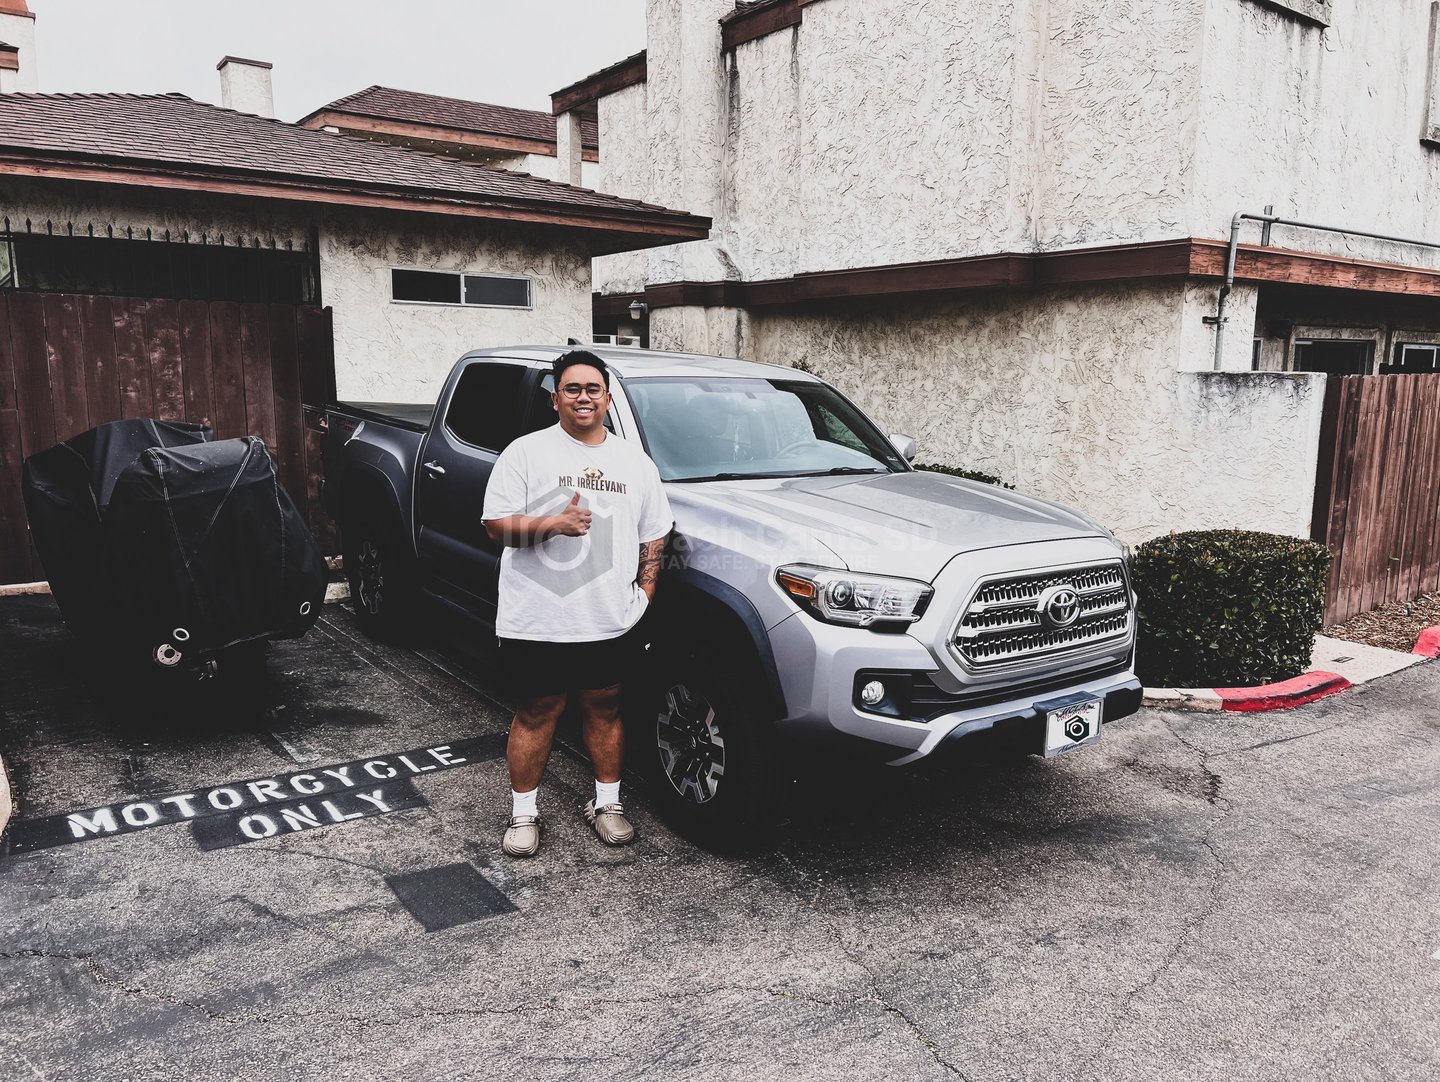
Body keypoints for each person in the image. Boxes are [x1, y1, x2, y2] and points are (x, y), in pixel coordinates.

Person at [481, 349, 672, 857]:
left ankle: (606, 804)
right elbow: (495, 527)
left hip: (606, 618)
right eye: (572, 389)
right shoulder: (525, 453)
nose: (583, 397)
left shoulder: (635, 463)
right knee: (537, 711)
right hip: (537, 617)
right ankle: (524, 814)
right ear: (554, 399)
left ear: (608, 399)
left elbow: (654, 535)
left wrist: (644, 595)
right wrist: (553, 525)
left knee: (604, 707)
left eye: (593, 389)